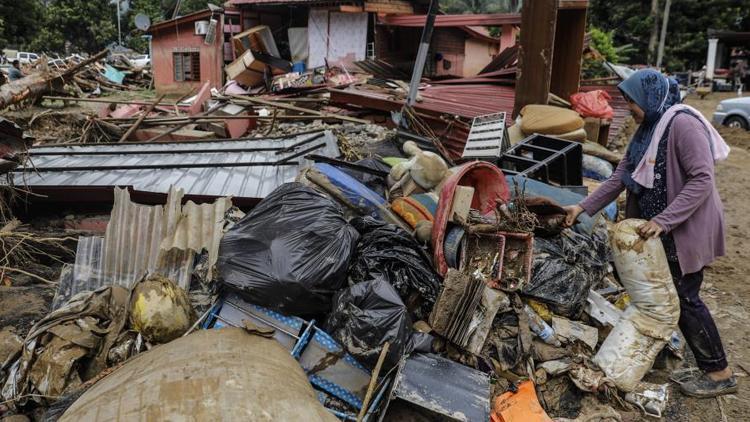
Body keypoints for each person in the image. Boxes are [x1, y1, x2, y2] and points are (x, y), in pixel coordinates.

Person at [563, 68, 736, 398]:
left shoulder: (683, 124)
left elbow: (702, 179)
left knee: (685, 297)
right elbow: (620, 176)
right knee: (662, 296)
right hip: (661, 231)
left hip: (685, 227)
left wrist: (664, 220)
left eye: (632, 101)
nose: (630, 108)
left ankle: (720, 373)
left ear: (650, 97)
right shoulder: (648, 128)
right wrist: (582, 208)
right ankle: (672, 356)